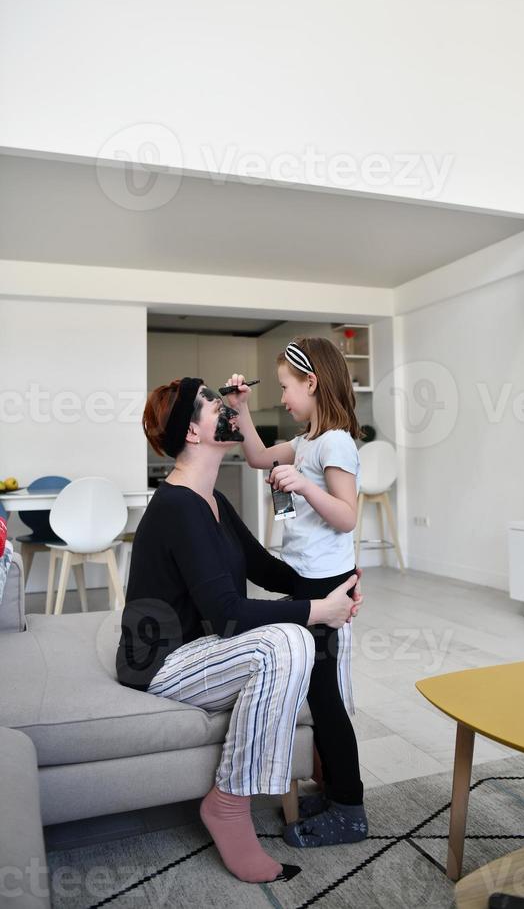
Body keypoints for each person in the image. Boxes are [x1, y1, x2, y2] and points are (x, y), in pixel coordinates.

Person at [115, 377, 362, 884]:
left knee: (300, 633)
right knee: (290, 638)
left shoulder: (211, 500)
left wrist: (337, 591)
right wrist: (316, 610)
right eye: (211, 403)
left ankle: (269, 794)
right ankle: (228, 805)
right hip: (161, 664)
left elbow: (265, 569)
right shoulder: (178, 506)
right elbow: (227, 614)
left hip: (201, 649)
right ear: (192, 431)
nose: (225, 406)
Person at [223, 336, 367, 849]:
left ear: (312, 382)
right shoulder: (307, 439)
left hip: (324, 582)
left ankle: (350, 808)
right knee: (313, 689)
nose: (282, 397)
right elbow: (260, 456)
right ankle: (333, 793)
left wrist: (306, 488)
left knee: (326, 698)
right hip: (306, 576)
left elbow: (347, 515)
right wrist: (239, 410)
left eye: (286, 386)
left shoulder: (336, 443)